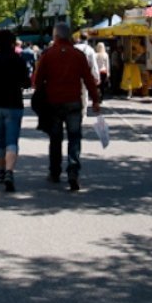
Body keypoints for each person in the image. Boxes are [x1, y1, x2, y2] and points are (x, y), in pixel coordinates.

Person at [34, 23, 101, 192]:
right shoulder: (78, 55)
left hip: (53, 102)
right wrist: (95, 100)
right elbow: (88, 79)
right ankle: (73, 171)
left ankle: (55, 171)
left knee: (55, 139)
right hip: (73, 101)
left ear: (55, 36)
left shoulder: (48, 55)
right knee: (74, 138)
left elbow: (37, 80)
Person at [0, 30, 31, 193]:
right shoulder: (19, 60)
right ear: (12, 43)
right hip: (14, 104)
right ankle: (10, 171)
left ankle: (1, 171)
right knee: (12, 140)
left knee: (0, 140)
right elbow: (27, 83)